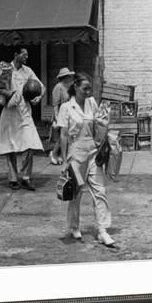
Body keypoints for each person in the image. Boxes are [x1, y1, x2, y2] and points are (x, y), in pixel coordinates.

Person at [57, 72, 117, 248]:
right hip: (75, 153)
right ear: (75, 87)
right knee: (75, 192)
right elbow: (63, 134)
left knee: (100, 191)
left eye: (90, 88)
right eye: (85, 88)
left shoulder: (91, 102)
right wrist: (64, 158)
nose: (89, 91)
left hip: (93, 152)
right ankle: (74, 226)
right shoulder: (66, 108)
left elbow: (99, 124)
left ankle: (103, 230)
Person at [0, 46, 45, 191]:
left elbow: (41, 87)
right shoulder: (5, 69)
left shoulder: (28, 71)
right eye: (24, 55)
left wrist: (39, 97)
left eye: (27, 55)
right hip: (10, 112)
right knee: (10, 147)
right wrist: (5, 92)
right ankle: (13, 178)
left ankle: (25, 177)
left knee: (30, 144)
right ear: (16, 55)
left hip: (25, 113)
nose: (26, 57)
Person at [49, 68, 74, 165]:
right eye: (68, 76)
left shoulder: (68, 87)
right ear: (64, 77)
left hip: (67, 114)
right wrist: (56, 118)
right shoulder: (58, 87)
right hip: (60, 114)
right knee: (61, 138)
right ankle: (54, 153)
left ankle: (59, 155)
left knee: (66, 136)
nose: (69, 78)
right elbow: (55, 104)